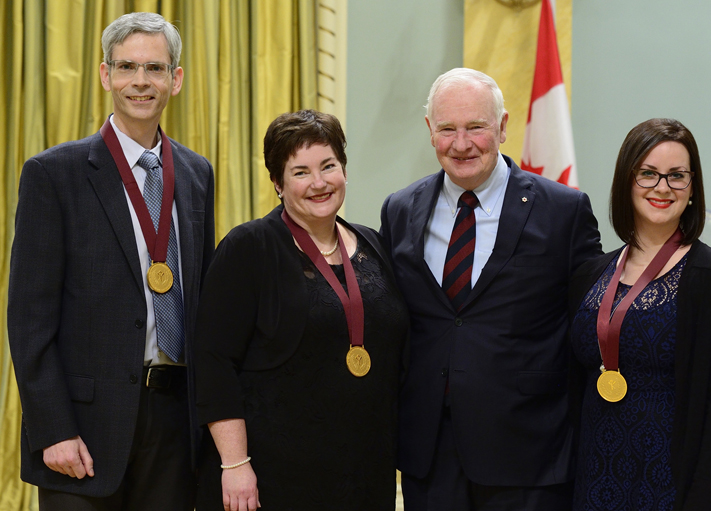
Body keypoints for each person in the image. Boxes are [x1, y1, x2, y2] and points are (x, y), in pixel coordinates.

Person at [7, 12, 215, 511]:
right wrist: (52, 429)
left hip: (173, 420)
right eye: (126, 67)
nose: (140, 82)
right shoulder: (52, 174)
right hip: (82, 432)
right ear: (105, 76)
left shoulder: (196, 173)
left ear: (176, 79)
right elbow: (30, 319)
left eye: (155, 68)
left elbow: (202, 300)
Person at [379, 67, 602, 511]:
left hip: (529, 452)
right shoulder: (400, 209)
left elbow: (588, 331)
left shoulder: (564, 211)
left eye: (476, 127)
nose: (461, 145)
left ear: (502, 127)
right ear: (430, 131)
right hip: (431, 456)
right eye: (447, 129)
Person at [194, 109, 409, 511]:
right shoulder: (249, 247)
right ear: (277, 183)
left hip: (363, 472)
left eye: (328, 166)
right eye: (300, 172)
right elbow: (213, 362)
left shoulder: (374, 244)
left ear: (344, 169)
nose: (319, 183)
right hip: (273, 478)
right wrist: (235, 463)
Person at [568, 118, 711, 510]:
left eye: (677, 176)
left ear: (692, 188)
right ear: (626, 181)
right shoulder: (590, 273)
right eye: (648, 174)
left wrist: (702, 498)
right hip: (594, 472)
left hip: (677, 481)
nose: (662, 188)